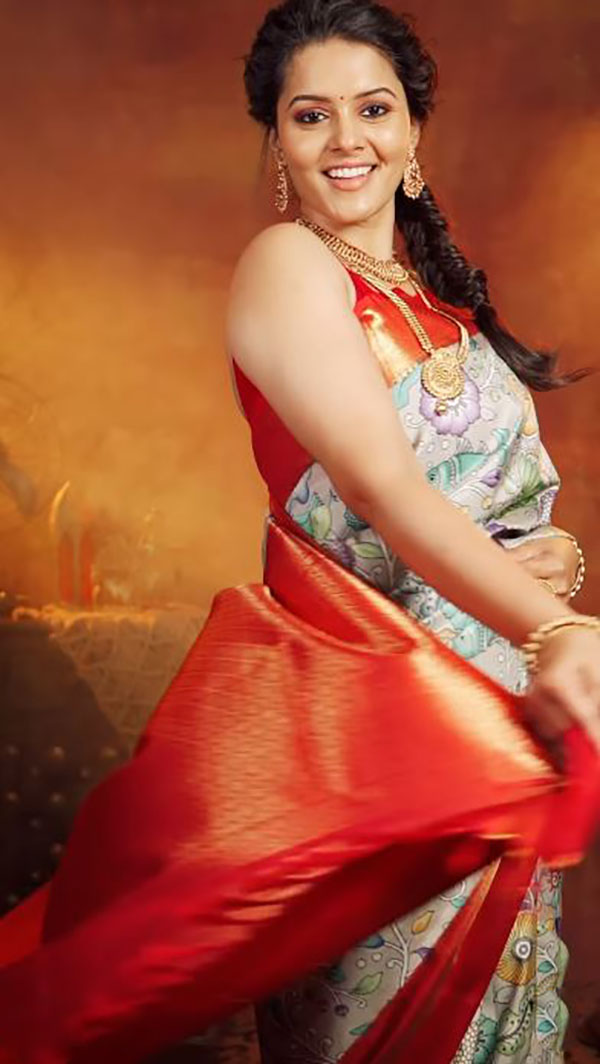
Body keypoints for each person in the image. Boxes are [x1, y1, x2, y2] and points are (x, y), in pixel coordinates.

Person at [0, 2, 598, 1063]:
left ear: (414, 130)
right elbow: (383, 488)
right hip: (385, 749)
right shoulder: (288, 266)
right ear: (277, 141)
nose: (345, 139)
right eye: (310, 115)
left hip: (497, 735)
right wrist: (552, 626)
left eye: (373, 109)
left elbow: (489, 503)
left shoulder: (440, 305)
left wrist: (556, 564)